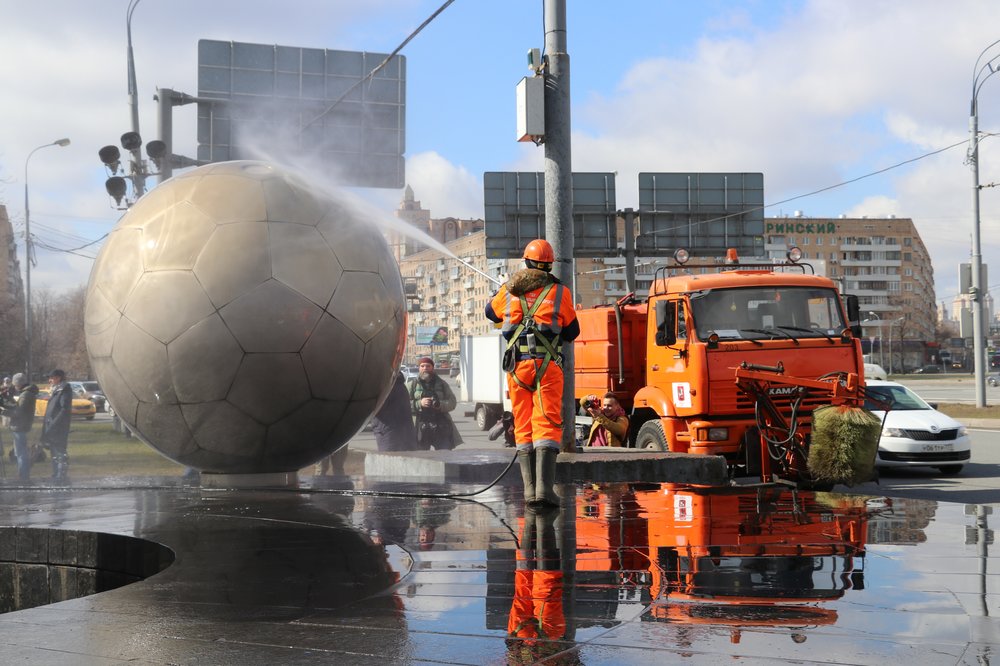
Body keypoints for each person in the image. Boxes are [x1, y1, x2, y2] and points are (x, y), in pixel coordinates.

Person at [485, 239, 579, 507]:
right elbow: (572, 332)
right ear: (549, 265)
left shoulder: (508, 291)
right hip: (546, 366)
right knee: (547, 424)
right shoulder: (560, 292)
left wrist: (501, 294)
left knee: (523, 425)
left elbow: (490, 313)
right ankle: (544, 490)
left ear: (526, 262)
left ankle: (528, 492)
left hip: (516, 368)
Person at [407, 357, 462, 450]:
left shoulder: (442, 384)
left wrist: (440, 405)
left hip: (440, 425)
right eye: (422, 366)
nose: (425, 368)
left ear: (432, 368)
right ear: (419, 368)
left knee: (445, 455)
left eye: (428, 366)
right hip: (420, 426)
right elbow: (404, 404)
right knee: (422, 457)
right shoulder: (412, 384)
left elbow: (452, 402)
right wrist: (419, 403)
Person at [372, 370, 418, 451]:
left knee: (389, 460)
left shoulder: (384, 386)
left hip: (388, 432)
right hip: (402, 432)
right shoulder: (400, 384)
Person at [4, 373, 39, 481]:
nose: (14, 386)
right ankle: (22, 474)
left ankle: (23, 476)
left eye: (15, 384)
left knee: (21, 453)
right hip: (21, 425)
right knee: (19, 452)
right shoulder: (27, 393)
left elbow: (19, 412)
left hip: (20, 426)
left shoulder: (25, 394)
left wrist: (4, 411)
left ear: (18, 384)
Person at [41, 368, 73, 481]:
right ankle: (56, 474)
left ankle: (61, 475)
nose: (50, 380)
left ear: (58, 378)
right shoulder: (56, 390)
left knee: (60, 451)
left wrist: (54, 424)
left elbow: (64, 410)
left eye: (52, 377)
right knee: (54, 451)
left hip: (58, 427)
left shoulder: (64, 390)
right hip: (52, 427)